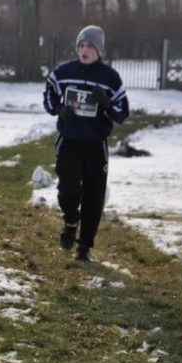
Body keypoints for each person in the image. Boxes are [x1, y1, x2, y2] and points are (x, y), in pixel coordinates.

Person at [43, 25, 129, 262]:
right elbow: (49, 92)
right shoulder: (64, 71)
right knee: (68, 191)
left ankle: (84, 248)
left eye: (90, 46)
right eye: (81, 45)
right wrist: (59, 109)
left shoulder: (110, 78)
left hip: (95, 144)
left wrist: (106, 104)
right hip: (69, 141)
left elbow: (122, 113)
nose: (85, 50)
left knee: (94, 196)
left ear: (99, 50)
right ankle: (71, 221)